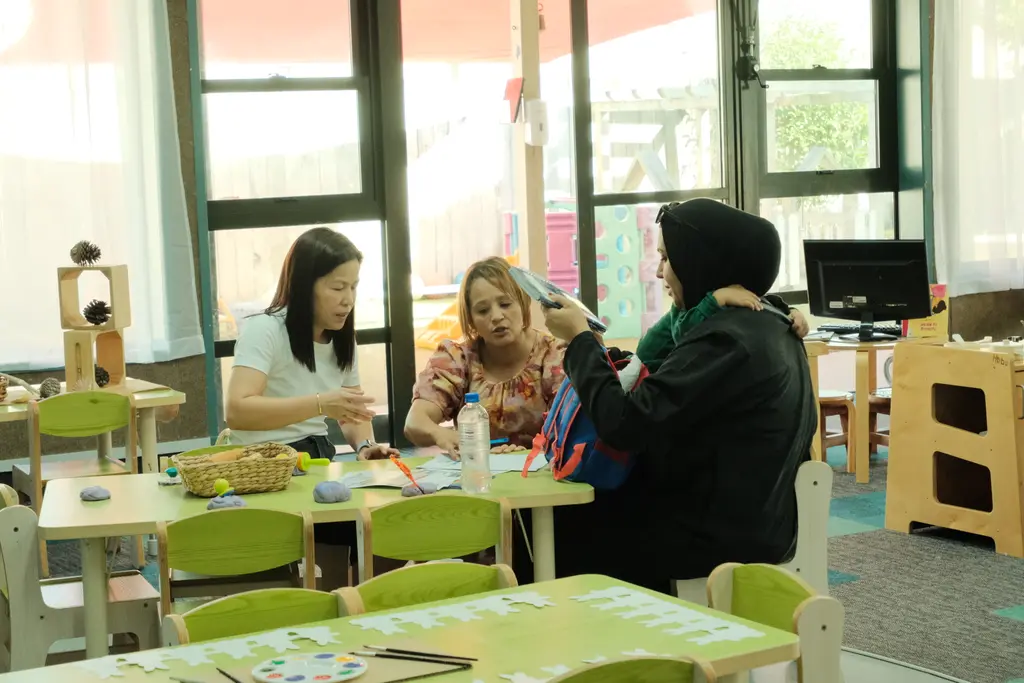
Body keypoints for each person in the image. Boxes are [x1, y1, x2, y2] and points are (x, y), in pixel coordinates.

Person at [535, 198, 818, 594]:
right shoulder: (770, 321)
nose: (658, 271)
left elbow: (623, 423)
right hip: (752, 520)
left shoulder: (725, 341)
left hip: (710, 537)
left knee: (545, 528)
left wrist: (581, 341)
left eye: (668, 258)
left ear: (700, 261)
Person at [224, 227, 399, 587]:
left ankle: (359, 607)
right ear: (305, 285)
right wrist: (320, 403)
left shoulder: (341, 339)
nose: (347, 299)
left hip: (318, 461)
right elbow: (237, 411)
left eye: (353, 287)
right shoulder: (265, 330)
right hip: (265, 467)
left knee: (389, 524)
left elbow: (352, 412)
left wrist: (366, 446)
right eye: (337, 288)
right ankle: (337, 601)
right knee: (346, 525)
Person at [404, 257, 566, 456]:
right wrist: (439, 434)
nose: (496, 316)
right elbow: (414, 423)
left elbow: (572, 428)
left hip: (545, 475)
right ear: (470, 319)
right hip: (479, 476)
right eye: (483, 310)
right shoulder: (458, 359)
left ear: (523, 305)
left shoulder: (554, 355)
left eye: (505, 304)